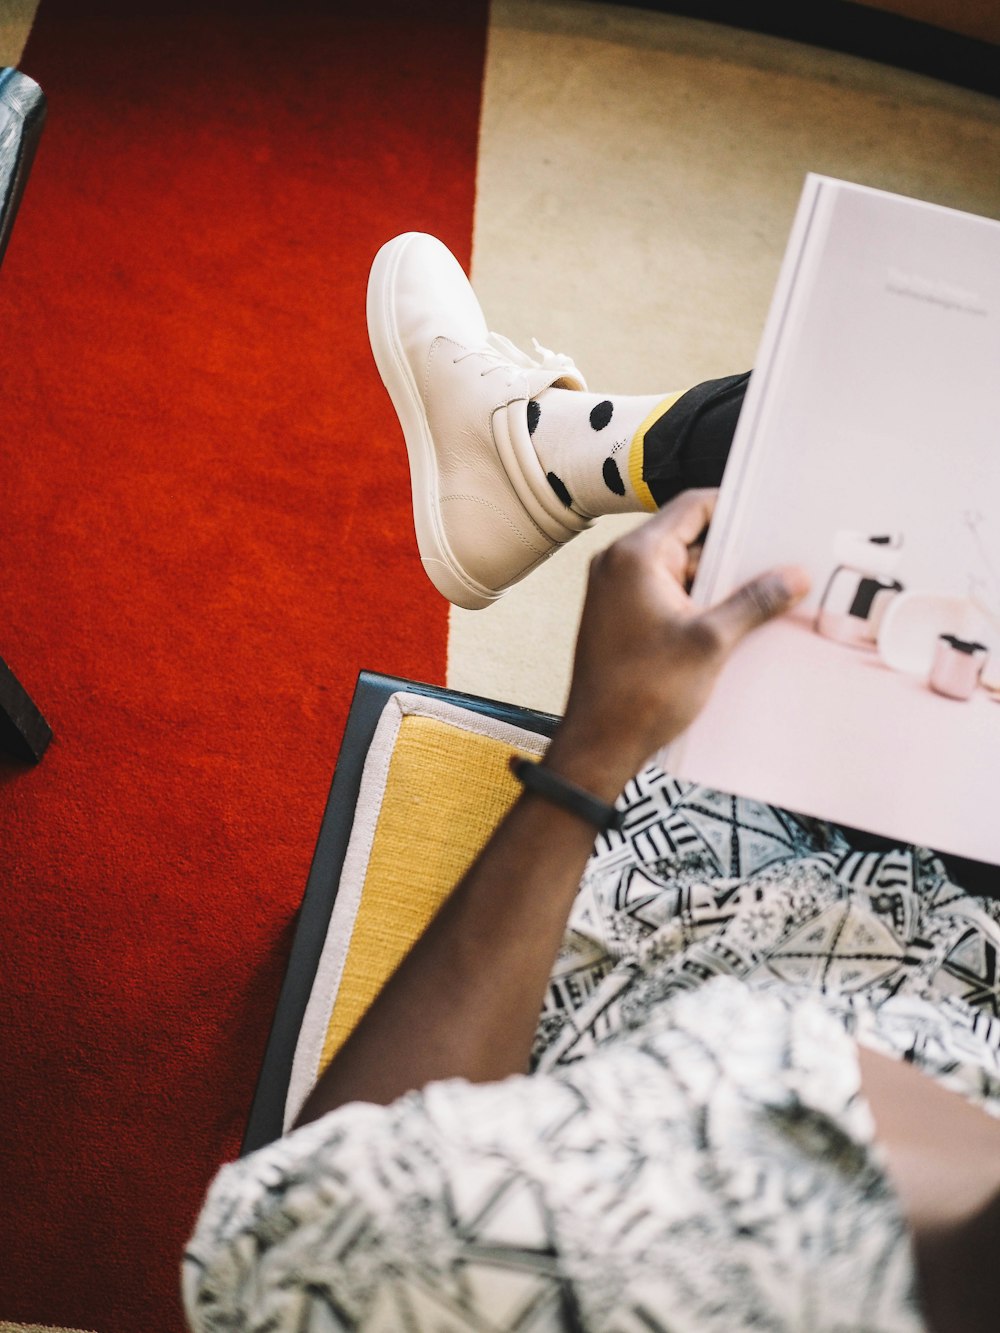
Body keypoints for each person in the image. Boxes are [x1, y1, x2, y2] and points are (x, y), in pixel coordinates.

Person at [183, 234, 1000, 1332]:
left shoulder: (672, 1256)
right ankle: (541, 457)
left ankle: (540, 456)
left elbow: (287, 1248)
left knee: (836, 468)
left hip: (724, 928)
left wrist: (593, 750)